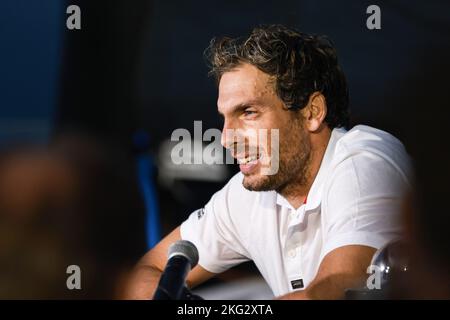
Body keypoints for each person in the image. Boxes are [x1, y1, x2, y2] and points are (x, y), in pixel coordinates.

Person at [123, 24, 412, 299]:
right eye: (225, 118)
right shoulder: (246, 195)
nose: (226, 139)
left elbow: (333, 292)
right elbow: (146, 273)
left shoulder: (364, 160)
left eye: (248, 112)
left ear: (312, 112)